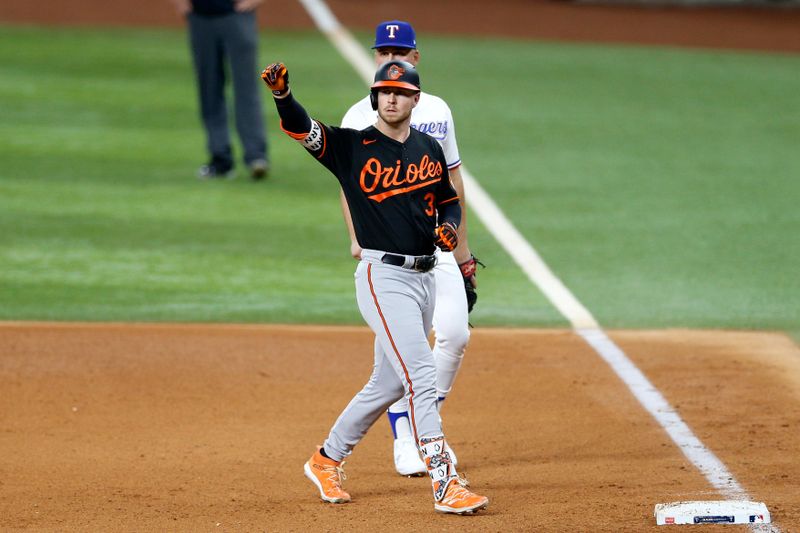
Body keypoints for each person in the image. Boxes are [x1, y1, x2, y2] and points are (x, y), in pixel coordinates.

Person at [261, 60, 489, 514]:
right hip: (383, 278)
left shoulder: (427, 146)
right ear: (374, 96)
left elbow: (448, 200)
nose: (390, 98)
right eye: (383, 91)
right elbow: (303, 130)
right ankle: (445, 480)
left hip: (424, 276)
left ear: (414, 100)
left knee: (387, 382)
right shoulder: (351, 146)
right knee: (420, 375)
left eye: (400, 92)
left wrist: (447, 227)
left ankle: (326, 459)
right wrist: (284, 98)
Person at [340, 20, 479, 477]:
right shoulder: (358, 117)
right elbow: (347, 186)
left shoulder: (437, 110)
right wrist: (358, 239)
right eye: (381, 50)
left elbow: (451, 185)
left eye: (397, 50)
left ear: (415, 58)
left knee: (455, 336)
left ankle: (415, 424)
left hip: (435, 246)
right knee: (411, 358)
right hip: (388, 253)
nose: (388, 56)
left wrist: (463, 257)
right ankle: (412, 436)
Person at [170, 0, 270, 180]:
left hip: (237, 15)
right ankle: (220, 158)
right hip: (201, 16)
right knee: (209, 89)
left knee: (246, 88)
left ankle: (256, 156)